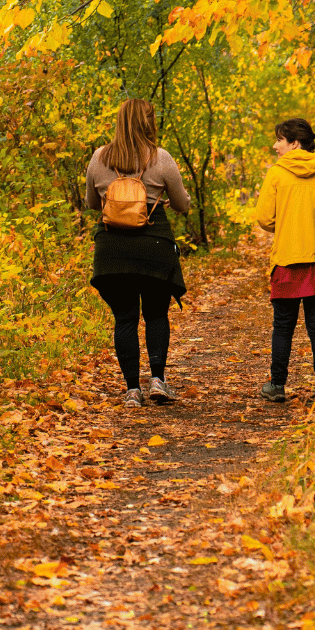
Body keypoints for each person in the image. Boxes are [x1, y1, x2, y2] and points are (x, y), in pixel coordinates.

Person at [83, 99, 192, 405]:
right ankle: (158, 380)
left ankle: (133, 390)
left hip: (112, 250)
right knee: (156, 314)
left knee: (125, 318)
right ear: (149, 123)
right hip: (153, 246)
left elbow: (92, 204)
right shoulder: (161, 158)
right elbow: (182, 204)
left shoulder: (98, 158)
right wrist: (166, 200)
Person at [253, 118, 315, 403]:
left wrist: (288, 223)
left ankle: (277, 385)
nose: (275, 145)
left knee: (283, 326)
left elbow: (264, 218)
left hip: (288, 260)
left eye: (280, 140)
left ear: (294, 143)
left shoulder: (277, 174)